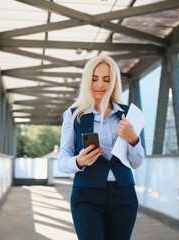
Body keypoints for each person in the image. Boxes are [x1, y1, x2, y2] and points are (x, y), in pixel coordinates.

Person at [58, 55, 145, 240]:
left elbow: (136, 162)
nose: (100, 85)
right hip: (86, 196)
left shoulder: (128, 114)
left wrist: (133, 139)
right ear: (87, 80)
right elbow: (62, 160)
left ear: (114, 82)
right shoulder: (74, 115)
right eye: (94, 78)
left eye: (106, 79)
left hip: (124, 194)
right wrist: (79, 161)